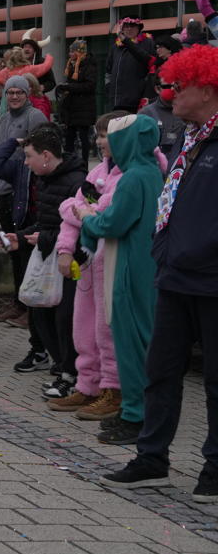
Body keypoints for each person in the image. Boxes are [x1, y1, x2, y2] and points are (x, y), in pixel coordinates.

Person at [102, 46, 218, 502]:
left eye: (180, 86)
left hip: (210, 275)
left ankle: (214, 469)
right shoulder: (188, 138)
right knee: (160, 370)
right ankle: (152, 458)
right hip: (175, 273)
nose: (170, 92)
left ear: (207, 90)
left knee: (215, 381)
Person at [67, 114, 165, 446]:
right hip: (142, 263)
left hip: (127, 265)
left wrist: (86, 218)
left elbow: (113, 223)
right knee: (139, 340)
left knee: (129, 341)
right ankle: (136, 413)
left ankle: (135, 416)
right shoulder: (151, 172)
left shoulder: (134, 177)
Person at [0, 125, 88, 398]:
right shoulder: (46, 178)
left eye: (29, 156)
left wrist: (44, 239)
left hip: (71, 260)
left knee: (64, 319)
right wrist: (22, 237)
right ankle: (62, 367)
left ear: (46, 155)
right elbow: (47, 220)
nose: (26, 163)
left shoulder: (76, 181)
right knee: (40, 312)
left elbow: (76, 226)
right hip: (50, 254)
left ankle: (71, 373)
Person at [50, 112, 129, 420]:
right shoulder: (98, 172)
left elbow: (102, 217)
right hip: (88, 263)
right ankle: (89, 385)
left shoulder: (132, 175)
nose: (99, 141)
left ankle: (114, 390)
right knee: (83, 327)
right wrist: (65, 250)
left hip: (113, 262)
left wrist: (81, 210)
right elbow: (71, 208)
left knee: (108, 329)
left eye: (106, 135)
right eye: (97, 134)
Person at [0, 75, 51, 327]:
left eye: (19, 93)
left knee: (26, 251)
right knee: (13, 251)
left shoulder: (34, 116)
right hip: (5, 189)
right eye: (10, 92)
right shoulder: (3, 118)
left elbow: (45, 149)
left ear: (27, 94)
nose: (14, 96)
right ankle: (17, 302)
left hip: (25, 193)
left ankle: (30, 307)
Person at [57, 39, 97, 161]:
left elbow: (89, 86)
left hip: (84, 108)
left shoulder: (89, 65)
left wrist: (69, 87)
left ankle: (84, 163)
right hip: (72, 108)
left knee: (83, 137)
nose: (70, 54)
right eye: (70, 51)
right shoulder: (72, 64)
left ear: (79, 52)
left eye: (72, 51)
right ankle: (69, 162)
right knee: (69, 137)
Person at [105, 17, 153, 112]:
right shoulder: (115, 47)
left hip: (136, 100)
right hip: (116, 100)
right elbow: (108, 71)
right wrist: (109, 87)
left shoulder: (147, 43)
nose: (129, 29)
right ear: (121, 29)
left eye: (133, 26)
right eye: (126, 26)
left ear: (139, 28)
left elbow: (150, 64)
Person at [139, 75, 185, 152]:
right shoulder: (146, 114)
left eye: (176, 86)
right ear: (157, 89)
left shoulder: (188, 112)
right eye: (167, 86)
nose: (172, 90)